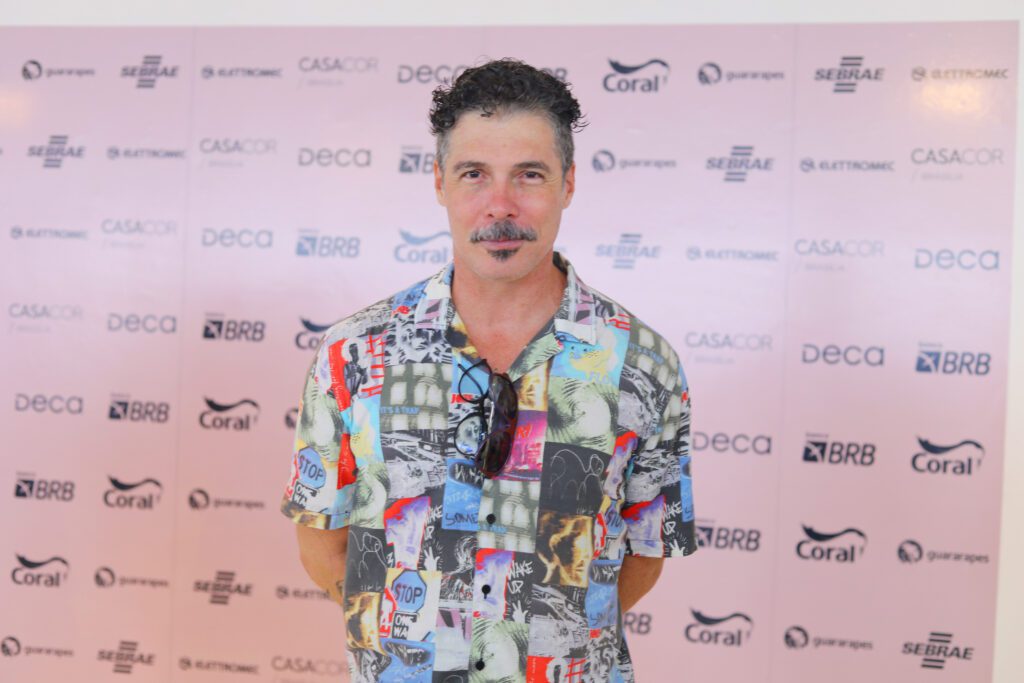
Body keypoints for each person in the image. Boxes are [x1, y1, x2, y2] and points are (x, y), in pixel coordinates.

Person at [281, 58, 697, 683]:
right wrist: (409, 642)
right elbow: (322, 541)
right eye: (474, 174)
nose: (501, 206)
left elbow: (644, 554)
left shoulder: (642, 363)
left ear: (568, 183)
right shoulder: (355, 352)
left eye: (529, 174)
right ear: (440, 182)